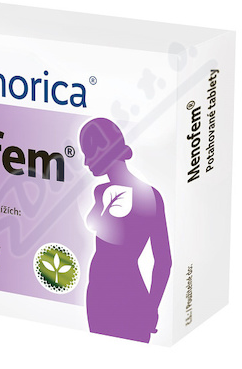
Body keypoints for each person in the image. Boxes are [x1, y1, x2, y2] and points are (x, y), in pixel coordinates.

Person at [79, 117, 172, 343]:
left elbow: (163, 261)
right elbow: (163, 261)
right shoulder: (104, 192)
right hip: (102, 295)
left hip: (121, 295)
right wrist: (151, 307)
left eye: (89, 152)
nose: (85, 162)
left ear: (104, 150)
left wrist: (152, 308)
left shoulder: (144, 196)